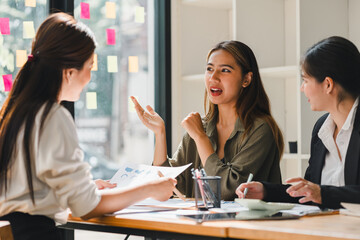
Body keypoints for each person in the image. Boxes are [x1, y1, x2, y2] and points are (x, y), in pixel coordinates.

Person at [0, 13, 176, 240]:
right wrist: (150, 188)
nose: (90, 77)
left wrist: (86, 186)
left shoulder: (15, 114)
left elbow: (31, 188)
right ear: (69, 71)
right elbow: (87, 207)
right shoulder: (52, 117)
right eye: (90, 67)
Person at [131, 40, 284, 200]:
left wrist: (200, 138)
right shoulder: (200, 127)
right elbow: (165, 188)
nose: (213, 77)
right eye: (209, 69)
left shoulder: (260, 129)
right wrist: (160, 134)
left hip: (247, 224)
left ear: (246, 79)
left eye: (224, 70)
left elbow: (226, 191)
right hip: (201, 223)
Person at [236, 36, 360, 209]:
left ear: (328, 85)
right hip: (326, 228)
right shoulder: (321, 129)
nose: (302, 88)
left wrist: (321, 193)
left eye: (305, 80)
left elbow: (319, 193)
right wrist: (266, 191)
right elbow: (310, 193)